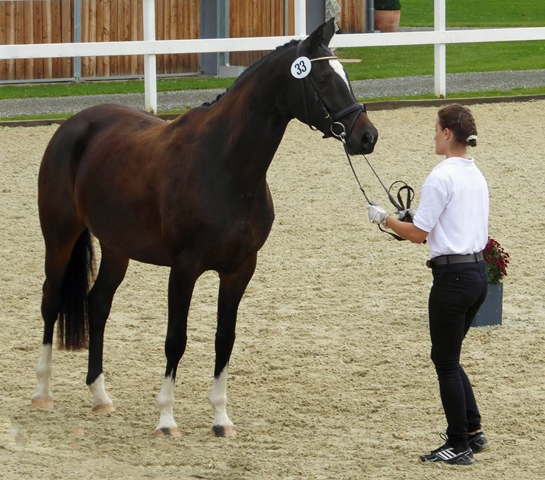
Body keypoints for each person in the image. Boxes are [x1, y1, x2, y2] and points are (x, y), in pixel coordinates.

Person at [367, 104, 491, 466]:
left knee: (446, 362)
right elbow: (438, 224)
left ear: (447, 133)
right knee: (447, 357)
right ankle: (473, 431)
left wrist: (386, 219)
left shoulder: (440, 176)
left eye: (436, 129)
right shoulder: (475, 174)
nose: (433, 135)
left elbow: (418, 235)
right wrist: (409, 219)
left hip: (451, 281)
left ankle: (458, 444)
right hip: (477, 275)